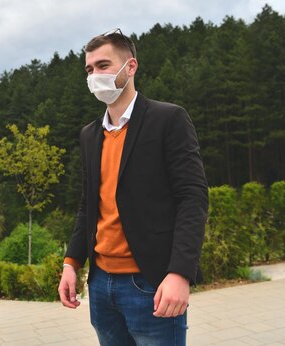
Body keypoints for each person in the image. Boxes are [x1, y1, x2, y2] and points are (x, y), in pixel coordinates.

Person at [57, 29, 208, 346]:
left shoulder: (168, 119)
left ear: (131, 67)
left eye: (103, 65)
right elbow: (88, 205)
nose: (95, 75)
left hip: (150, 284)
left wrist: (180, 273)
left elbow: (192, 199)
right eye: (89, 69)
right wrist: (71, 264)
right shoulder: (90, 135)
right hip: (100, 286)